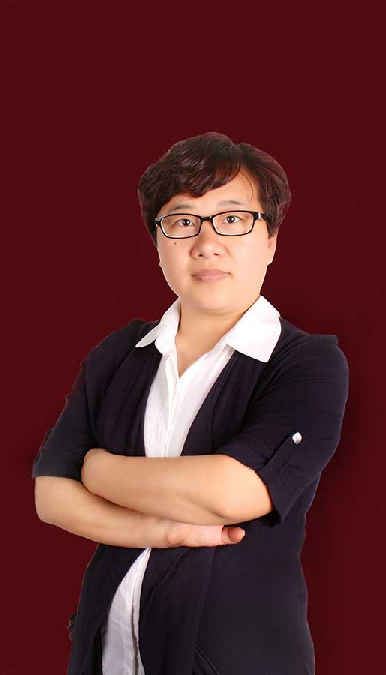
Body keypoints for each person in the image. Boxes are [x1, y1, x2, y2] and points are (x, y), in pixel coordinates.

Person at [32, 132, 349, 675]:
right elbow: (52, 496)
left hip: (237, 658)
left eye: (232, 219)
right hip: (106, 655)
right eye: (182, 221)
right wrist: (164, 532)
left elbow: (235, 492)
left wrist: (98, 470)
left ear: (271, 240)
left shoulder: (306, 363)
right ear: (158, 241)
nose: (206, 243)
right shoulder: (119, 353)